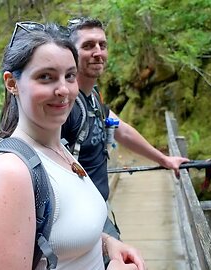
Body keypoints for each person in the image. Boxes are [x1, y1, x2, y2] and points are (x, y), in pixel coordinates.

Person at [0, 21, 145, 270]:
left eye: (70, 76)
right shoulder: (10, 173)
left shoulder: (58, 149)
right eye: (46, 77)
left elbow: (60, 234)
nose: (63, 90)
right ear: (12, 83)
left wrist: (107, 244)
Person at [61, 17, 190, 239]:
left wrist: (164, 160)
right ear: (71, 53)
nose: (98, 52)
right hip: (77, 224)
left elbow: (122, 129)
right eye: (88, 45)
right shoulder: (66, 106)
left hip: (98, 213)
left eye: (102, 45)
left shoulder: (92, 97)